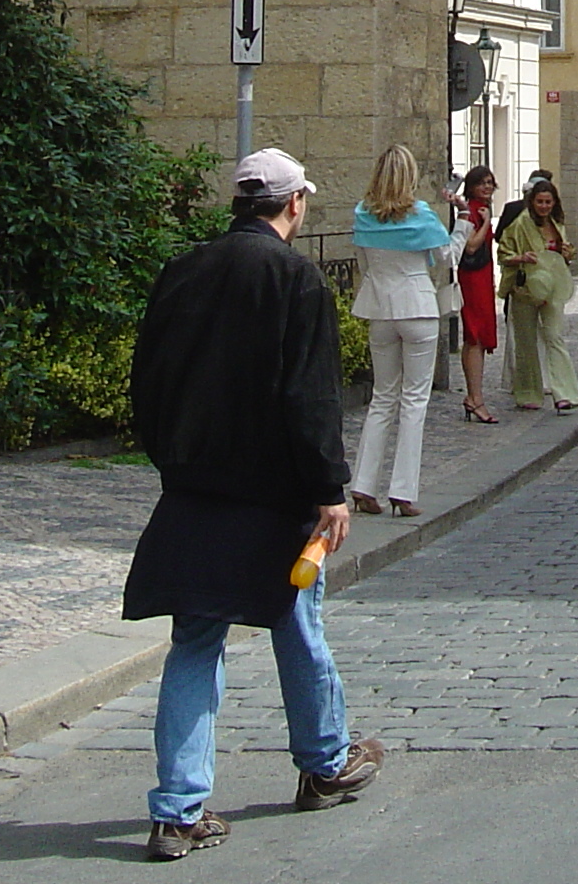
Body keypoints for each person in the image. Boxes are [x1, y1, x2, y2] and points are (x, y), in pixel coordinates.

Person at [125, 148, 383, 859]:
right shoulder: (295, 278)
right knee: (298, 622)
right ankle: (325, 763)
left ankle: (178, 811)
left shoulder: (184, 268)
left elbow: (145, 376)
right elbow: (310, 395)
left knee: (195, 640)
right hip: (273, 493)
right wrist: (329, 488)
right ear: (293, 204)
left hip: (195, 486)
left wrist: (172, 458)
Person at [347, 145, 453, 518]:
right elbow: (444, 257)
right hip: (417, 306)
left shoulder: (363, 214)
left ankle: (362, 484)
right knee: (414, 400)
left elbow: (362, 261)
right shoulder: (420, 214)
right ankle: (403, 490)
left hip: (379, 307)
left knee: (382, 397)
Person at [497, 176, 578, 411]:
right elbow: (503, 254)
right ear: (532, 202)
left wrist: (567, 252)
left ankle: (564, 392)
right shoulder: (520, 224)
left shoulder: (557, 224)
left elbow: (564, 255)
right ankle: (528, 393)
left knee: (554, 337)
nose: (544, 206)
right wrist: (521, 258)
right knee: (526, 343)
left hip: (553, 289)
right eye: (540, 202)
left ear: (554, 203)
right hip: (525, 290)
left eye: (548, 202)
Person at [451, 167, 500, 424]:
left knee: (477, 336)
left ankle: (475, 395)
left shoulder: (478, 208)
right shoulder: (473, 211)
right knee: (475, 335)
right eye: (482, 183)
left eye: (490, 182)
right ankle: (475, 397)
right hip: (473, 278)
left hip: (482, 277)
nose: (487, 187)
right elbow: (470, 246)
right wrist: (488, 222)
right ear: (471, 186)